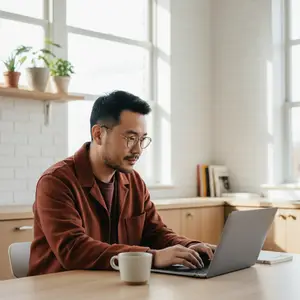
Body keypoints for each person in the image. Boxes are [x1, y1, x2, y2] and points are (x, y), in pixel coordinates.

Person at [28, 90, 214, 276]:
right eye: (131, 138)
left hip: (113, 287)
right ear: (98, 134)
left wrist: (190, 246)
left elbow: (155, 233)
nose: (138, 150)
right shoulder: (55, 182)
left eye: (142, 140)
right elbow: (74, 249)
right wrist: (152, 257)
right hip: (61, 290)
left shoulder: (133, 181)